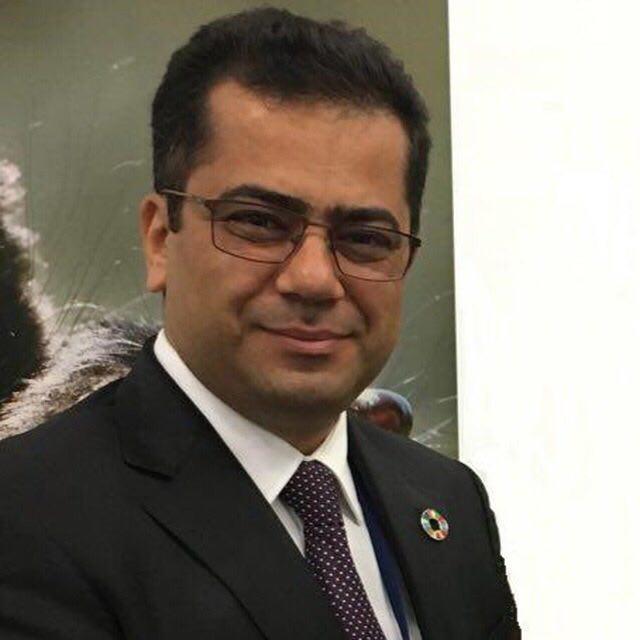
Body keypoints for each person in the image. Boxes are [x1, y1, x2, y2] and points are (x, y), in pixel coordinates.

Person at [0, 8, 519, 639]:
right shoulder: (33, 513)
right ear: (160, 239)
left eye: (365, 237)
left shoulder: (450, 503)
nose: (315, 279)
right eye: (258, 222)